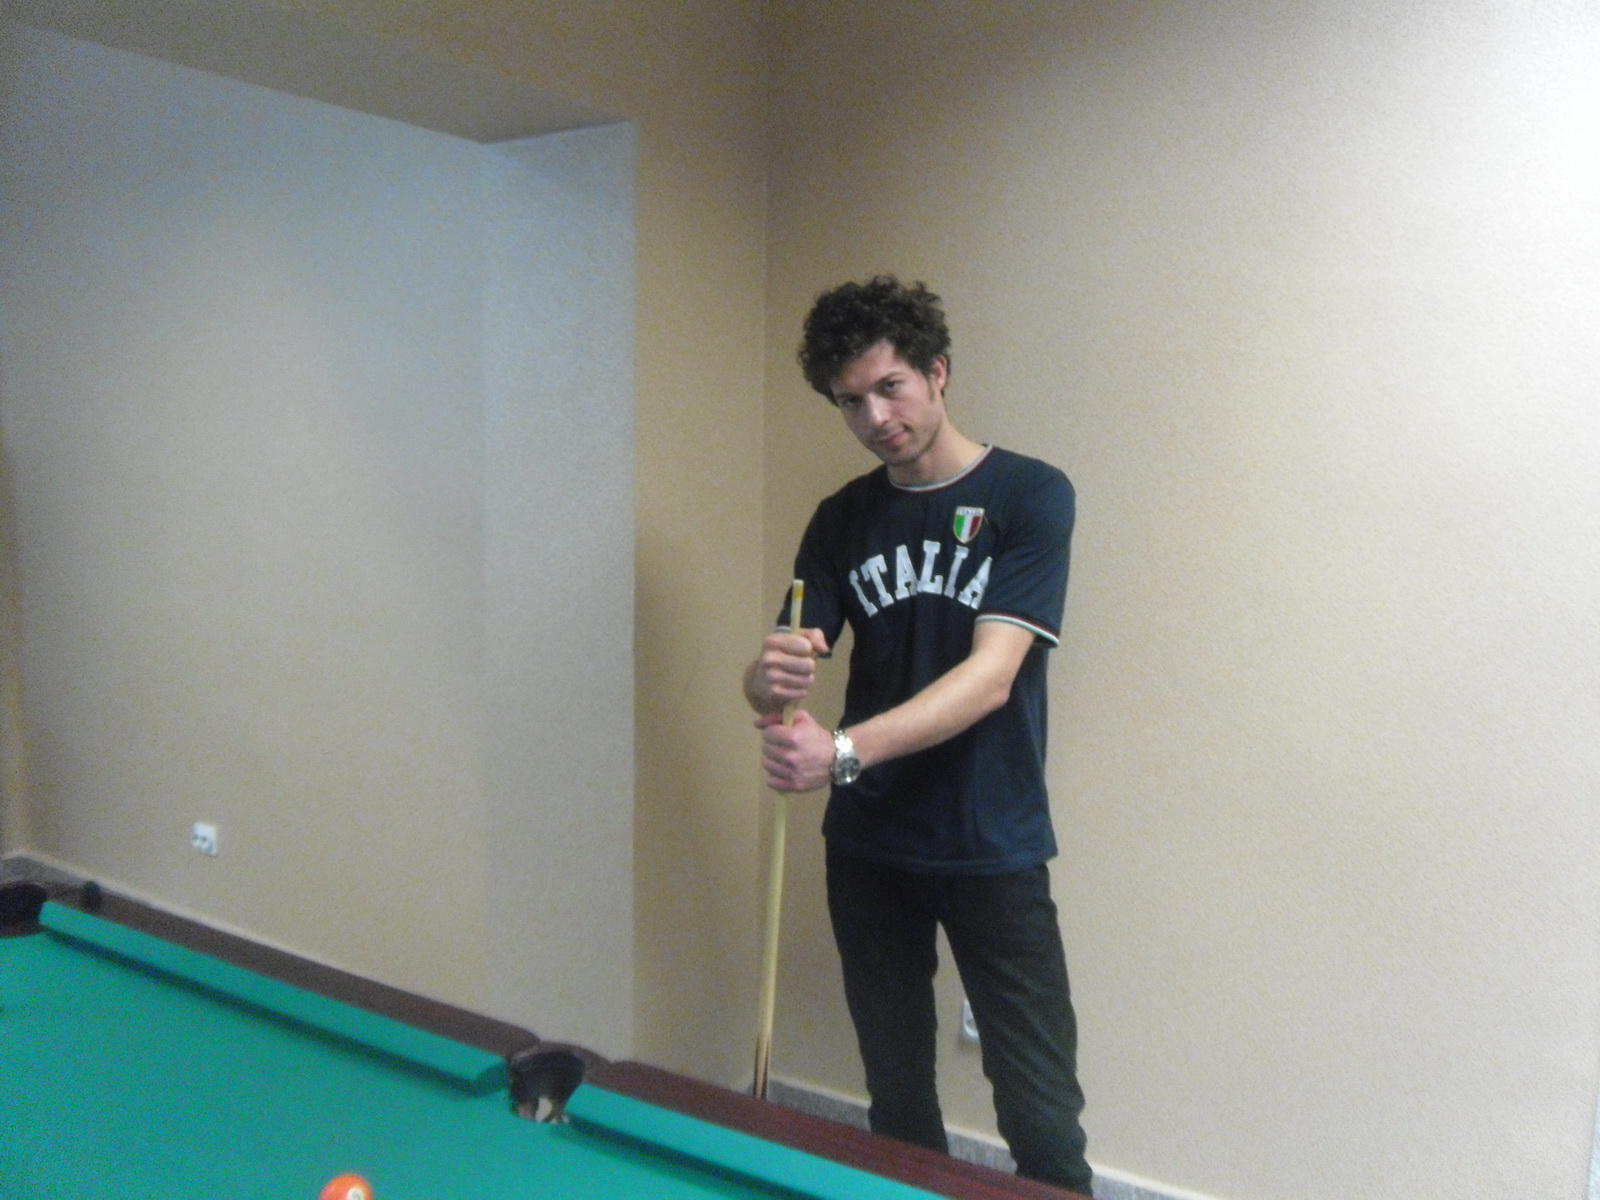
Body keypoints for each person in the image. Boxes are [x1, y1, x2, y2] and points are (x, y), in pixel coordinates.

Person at [742, 275, 1091, 1194]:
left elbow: (991, 677)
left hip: (991, 838)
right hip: (871, 847)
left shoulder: (1030, 495)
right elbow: (781, 666)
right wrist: (769, 675)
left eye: (889, 387)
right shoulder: (842, 518)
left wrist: (840, 753)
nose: (874, 418)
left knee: (1040, 1109)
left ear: (937, 371)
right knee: (896, 1101)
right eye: (850, 401)